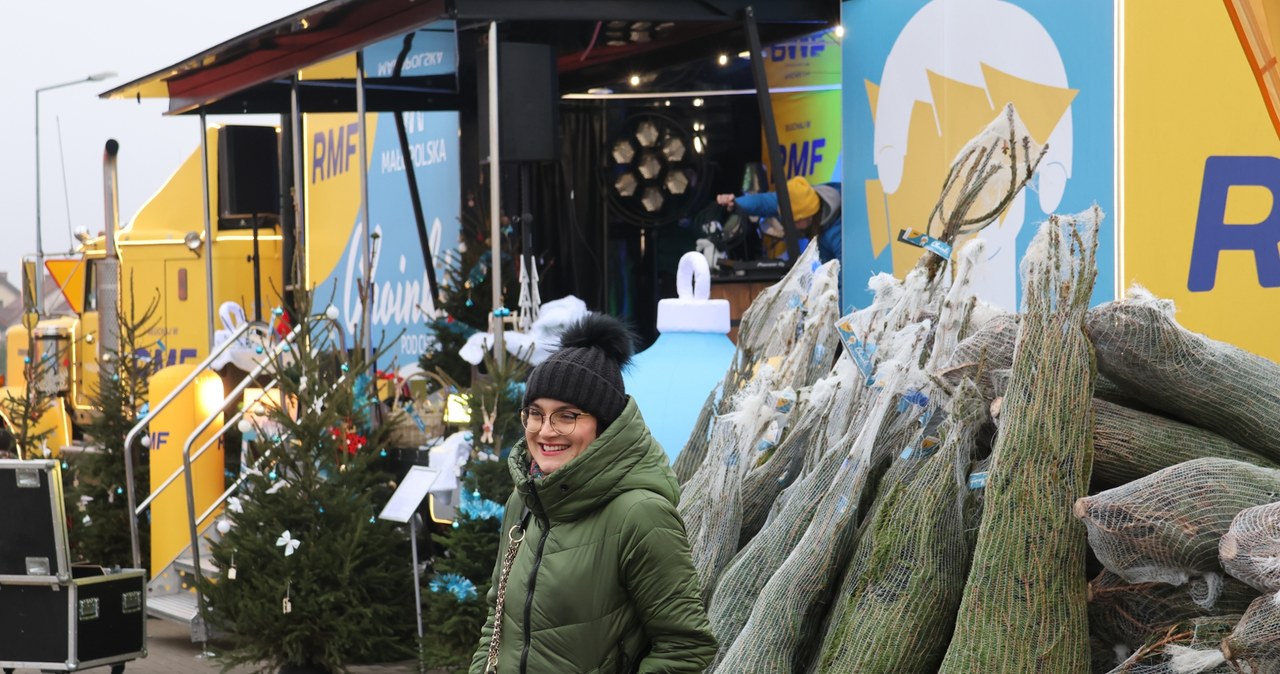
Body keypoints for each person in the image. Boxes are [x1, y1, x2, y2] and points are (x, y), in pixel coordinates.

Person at [470, 313, 717, 674]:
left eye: (567, 416)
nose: (545, 431)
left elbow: (686, 646)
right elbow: (498, 618)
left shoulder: (640, 514)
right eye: (535, 414)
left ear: (603, 424)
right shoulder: (523, 503)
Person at [717, 175, 842, 264]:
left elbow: (845, 284)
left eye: (792, 221)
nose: (787, 226)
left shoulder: (840, 234)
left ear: (807, 216)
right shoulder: (805, 198)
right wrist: (735, 203)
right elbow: (766, 202)